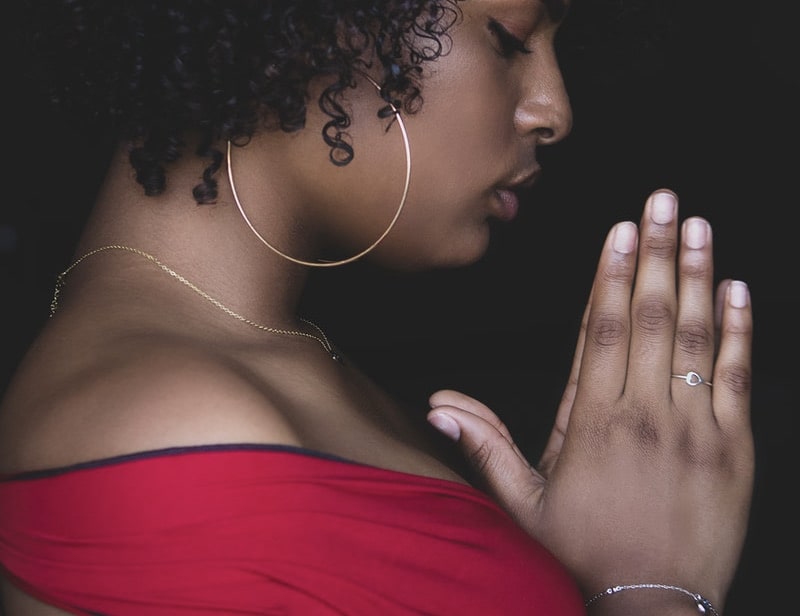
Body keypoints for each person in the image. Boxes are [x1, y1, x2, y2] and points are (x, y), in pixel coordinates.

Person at [0, 1, 754, 614]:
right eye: (509, 39)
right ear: (314, 28)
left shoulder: (265, 367)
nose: (553, 110)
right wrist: (652, 594)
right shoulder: (170, 431)